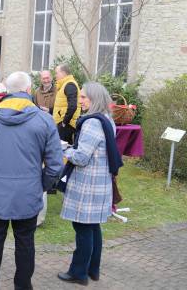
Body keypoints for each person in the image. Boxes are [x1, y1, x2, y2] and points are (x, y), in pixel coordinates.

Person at [0, 71, 63, 290]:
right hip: (27, 192)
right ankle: (22, 285)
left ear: (7, 91)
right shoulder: (44, 120)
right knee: (25, 242)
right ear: (28, 90)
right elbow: (55, 165)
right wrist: (42, 186)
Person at [58, 82, 123, 286]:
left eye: (84, 97)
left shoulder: (92, 123)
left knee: (83, 228)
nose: (80, 100)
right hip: (100, 180)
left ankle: (79, 273)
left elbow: (81, 157)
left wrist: (64, 149)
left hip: (89, 182)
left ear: (95, 99)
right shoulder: (107, 120)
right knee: (93, 227)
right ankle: (93, 269)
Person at [54, 64, 81, 144]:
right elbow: (62, 104)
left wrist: (64, 122)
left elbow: (72, 106)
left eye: (56, 73)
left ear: (63, 73)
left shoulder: (70, 85)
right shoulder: (64, 85)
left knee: (64, 150)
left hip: (66, 125)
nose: (55, 75)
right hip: (63, 123)